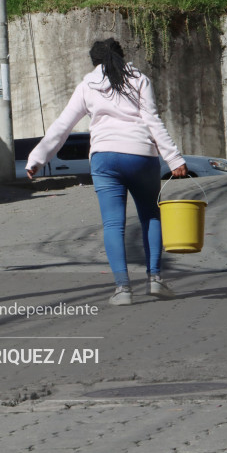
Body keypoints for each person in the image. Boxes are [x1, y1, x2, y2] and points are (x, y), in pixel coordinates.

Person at [25, 38, 188, 306]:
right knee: (150, 215)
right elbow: (152, 120)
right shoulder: (139, 80)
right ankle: (155, 279)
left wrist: (37, 159)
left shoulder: (87, 85)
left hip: (104, 159)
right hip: (140, 155)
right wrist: (174, 158)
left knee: (113, 224)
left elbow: (62, 126)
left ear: (94, 61)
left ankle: (123, 289)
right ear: (123, 57)